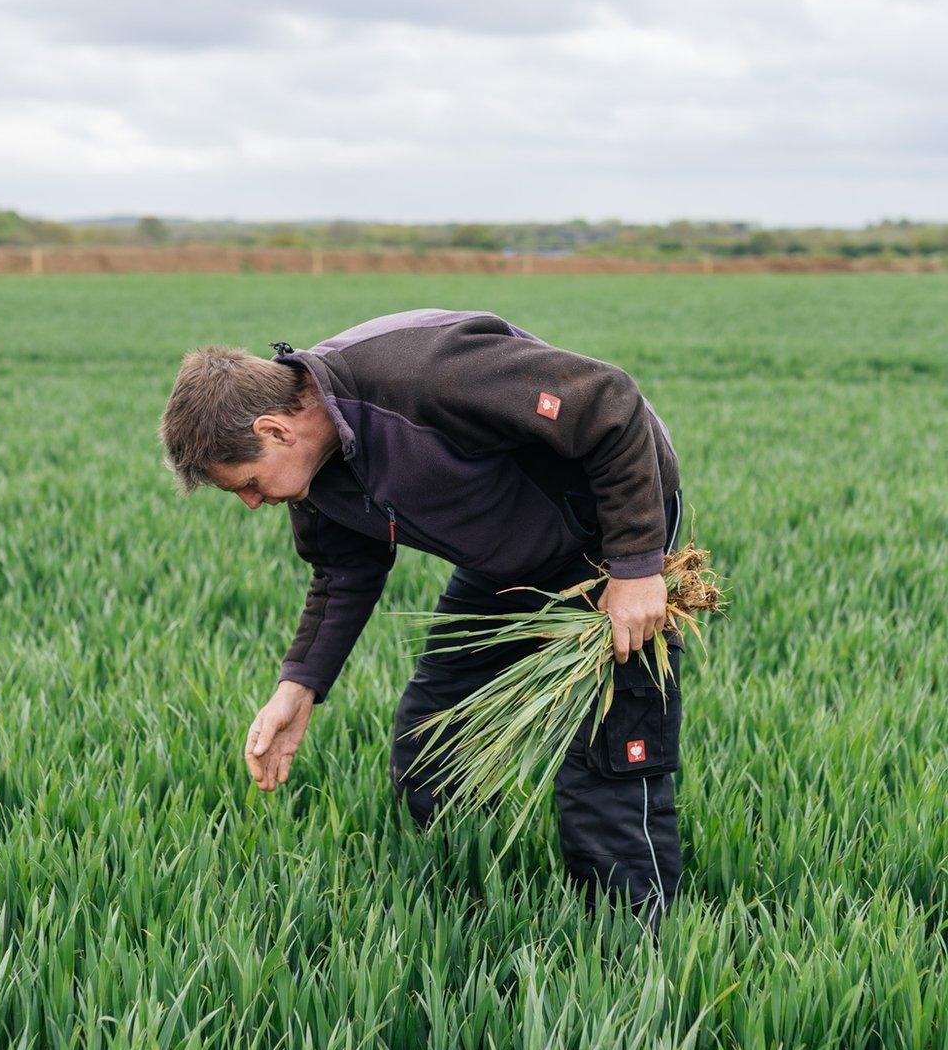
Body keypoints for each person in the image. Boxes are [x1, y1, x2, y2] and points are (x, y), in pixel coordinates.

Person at [158, 307, 685, 932]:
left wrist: (634, 566)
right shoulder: (312, 474)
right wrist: (297, 688)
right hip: (503, 558)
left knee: (610, 757)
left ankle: (633, 948)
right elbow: (342, 571)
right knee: (434, 738)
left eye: (244, 484)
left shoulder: (423, 376)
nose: (251, 503)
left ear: (274, 430)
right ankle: (463, 901)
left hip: (607, 540)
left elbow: (609, 404)